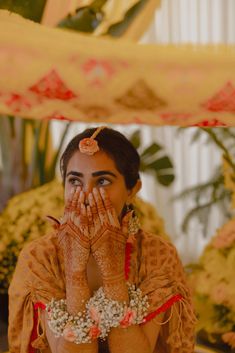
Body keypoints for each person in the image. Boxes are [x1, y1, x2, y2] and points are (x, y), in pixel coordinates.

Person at [8, 126, 196, 353]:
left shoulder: (155, 255)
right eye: (75, 181)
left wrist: (112, 273)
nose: (86, 195)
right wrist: (75, 273)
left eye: (103, 181)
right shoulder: (40, 257)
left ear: (132, 190)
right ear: (63, 187)